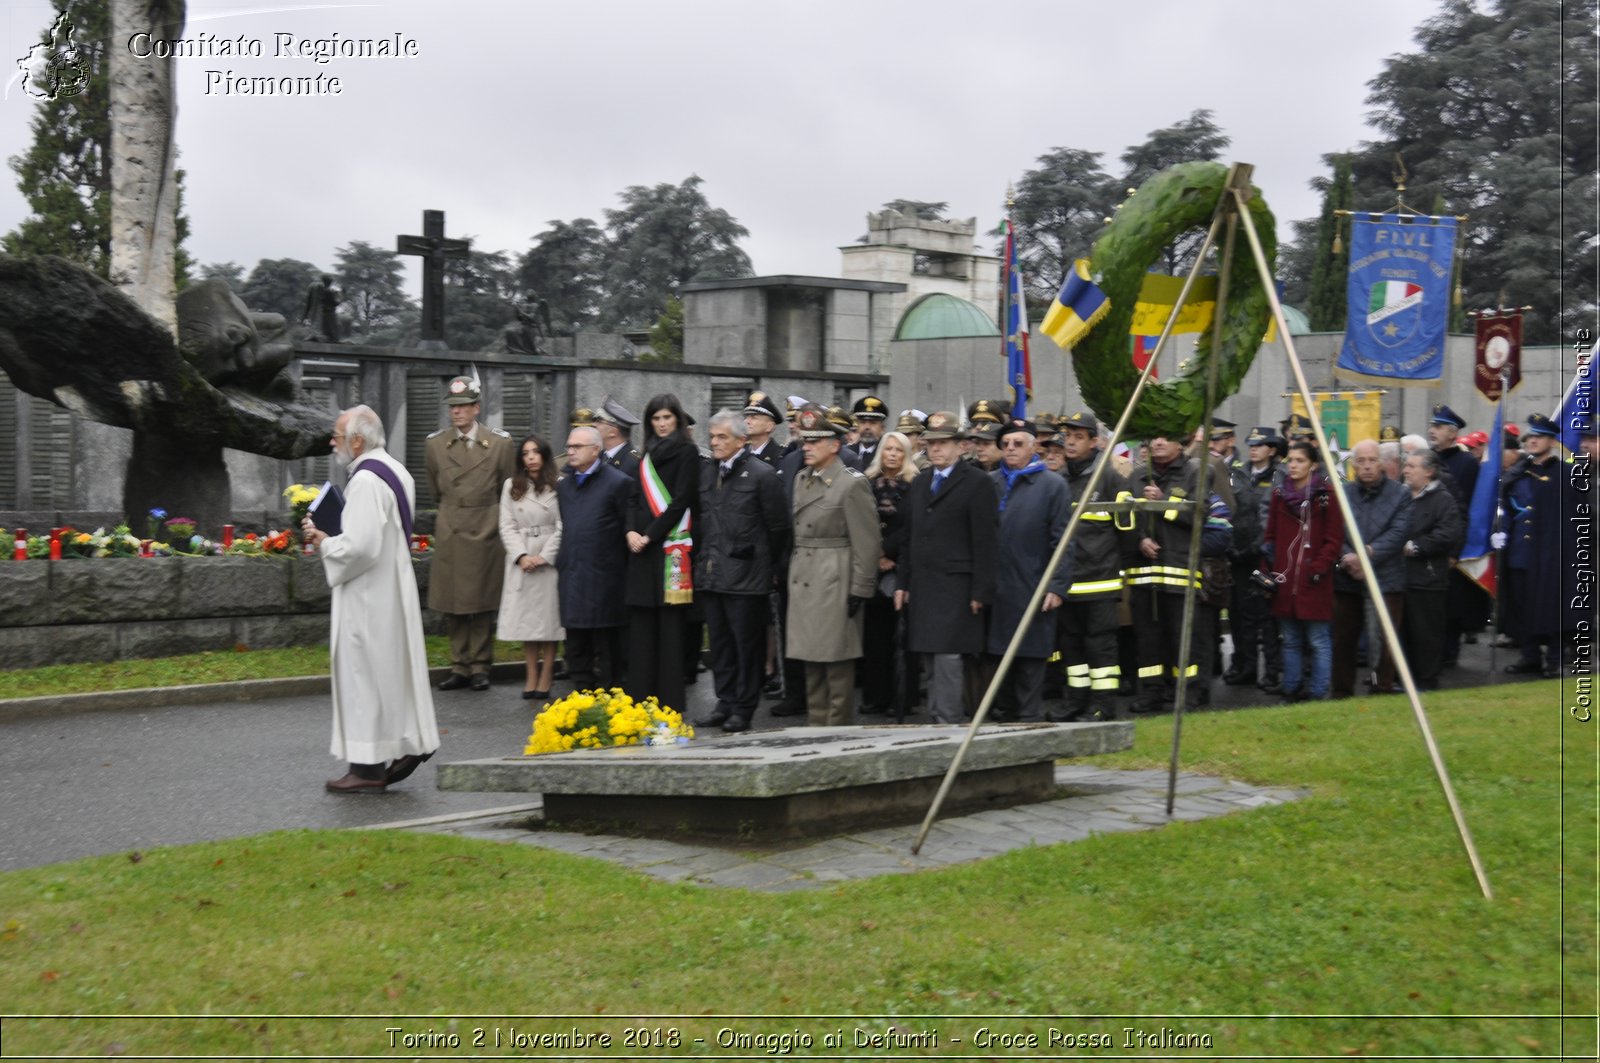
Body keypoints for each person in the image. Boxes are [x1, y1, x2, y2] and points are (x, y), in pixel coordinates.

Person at [300, 405, 438, 793]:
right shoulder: (395, 470)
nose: (332, 441)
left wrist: (323, 539)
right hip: (390, 587)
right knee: (389, 675)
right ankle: (409, 742)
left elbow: (360, 547)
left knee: (362, 677)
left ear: (357, 440)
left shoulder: (363, 480)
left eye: (337, 435)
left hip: (366, 595)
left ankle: (367, 769)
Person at [896, 411, 999, 724]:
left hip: (957, 583)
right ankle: (936, 716)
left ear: (961, 446)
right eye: (931, 443)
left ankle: (950, 722)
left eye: (943, 443)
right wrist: (903, 582)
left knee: (949, 657)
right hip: (924, 583)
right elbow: (909, 535)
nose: (936, 449)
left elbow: (986, 540)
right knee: (928, 654)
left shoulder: (977, 482)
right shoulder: (921, 481)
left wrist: (981, 590)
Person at [693, 410, 790, 732]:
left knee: (746, 646)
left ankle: (743, 708)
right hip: (712, 573)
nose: (715, 443)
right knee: (719, 645)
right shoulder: (707, 473)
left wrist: (767, 566)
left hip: (747, 578)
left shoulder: (762, 475)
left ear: (741, 440)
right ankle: (725, 700)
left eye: (722, 437)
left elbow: (778, 527)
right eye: (712, 437)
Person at [786, 403, 880, 725]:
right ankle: (814, 729)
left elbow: (867, 542)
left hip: (834, 576)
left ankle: (838, 733)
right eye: (805, 440)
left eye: (814, 441)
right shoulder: (802, 478)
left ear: (834, 445)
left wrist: (860, 588)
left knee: (837, 664)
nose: (806, 447)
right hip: (805, 574)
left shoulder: (851, 482)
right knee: (810, 661)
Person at [425, 376, 518, 691]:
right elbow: (435, 488)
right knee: (453, 601)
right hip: (451, 522)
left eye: (463, 407)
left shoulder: (501, 444)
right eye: (452, 407)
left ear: (476, 408)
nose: (457, 413)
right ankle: (459, 665)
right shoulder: (435, 444)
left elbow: (509, 486)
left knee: (481, 600)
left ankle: (480, 666)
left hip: (486, 523)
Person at [985, 419, 1072, 722]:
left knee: (1030, 661)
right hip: (996, 589)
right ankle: (1004, 720)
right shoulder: (990, 482)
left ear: (1035, 447)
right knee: (998, 663)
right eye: (1005, 444)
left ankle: (1029, 723)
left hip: (1033, 585)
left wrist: (1057, 585)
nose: (1010, 449)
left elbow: (1062, 540)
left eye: (1018, 443)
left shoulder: (1052, 485)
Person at [1051, 411, 1133, 721]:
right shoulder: (1059, 479)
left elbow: (1128, 532)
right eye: (1068, 437)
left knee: (1101, 650)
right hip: (1067, 583)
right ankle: (1076, 702)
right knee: (1071, 649)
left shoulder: (1109, 478)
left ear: (1095, 442)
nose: (1070, 442)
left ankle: (1103, 707)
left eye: (1078, 437)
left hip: (1100, 583)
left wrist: (1116, 572)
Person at [621, 393, 699, 713]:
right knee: (641, 628)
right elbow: (633, 498)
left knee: (669, 630)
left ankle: (669, 702)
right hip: (640, 550)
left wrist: (650, 535)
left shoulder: (688, 452)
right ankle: (640, 699)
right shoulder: (645, 456)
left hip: (670, 549)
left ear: (677, 419)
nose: (662, 424)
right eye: (656, 418)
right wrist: (630, 531)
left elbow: (682, 501)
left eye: (667, 418)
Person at [1126, 432, 1210, 714]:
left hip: (1179, 571)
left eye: (1166, 438)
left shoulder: (1196, 472)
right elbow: (1125, 516)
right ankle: (1151, 691)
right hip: (1144, 573)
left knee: (1182, 636)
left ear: (1181, 443)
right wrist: (1139, 538)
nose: (1158, 443)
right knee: (1148, 638)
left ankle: (1188, 691)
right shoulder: (1137, 477)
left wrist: (1163, 502)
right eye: (1153, 439)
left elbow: (1198, 516)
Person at [1261, 440, 1344, 702]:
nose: (1293, 465)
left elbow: (1333, 540)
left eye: (1300, 461)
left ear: (1314, 465)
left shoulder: (1326, 495)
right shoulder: (1279, 495)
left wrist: (1317, 568)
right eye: (1291, 461)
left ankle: (1319, 690)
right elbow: (1271, 536)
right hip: (1285, 580)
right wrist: (1268, 569)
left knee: (1318, 640)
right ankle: (1291, 686)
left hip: (1314, 581)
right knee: (1291, 639)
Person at [1499, 414, 1581, 678]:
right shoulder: (1518, 473)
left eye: (1539, 436)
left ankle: (1554, 659)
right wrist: (1500, 532)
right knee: (1524, 606)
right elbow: (1508, 509)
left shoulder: (1566, 474)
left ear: (1552, 441)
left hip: (1552, 554)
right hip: (1522, 553)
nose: (1532, 441)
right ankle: (1529, 655)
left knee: (1551, 606)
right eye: (1529, 437)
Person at [1330, 439, 1412, 697]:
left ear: (1382, 463)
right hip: (1347, 578)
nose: (1367, 466)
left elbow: (1399, 533)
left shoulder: (1401, 493)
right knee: (1344, 639)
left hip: (1386, 577)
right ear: (1353, 465)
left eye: (1372, 460)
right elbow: (1334, 532)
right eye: (1361, 461)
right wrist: (1347, 558)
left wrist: (1367, 555)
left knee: (1384, 640)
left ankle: (1382, 686)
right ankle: (1342, 691)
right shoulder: (1342, 493)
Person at [555, 424, 632, 690]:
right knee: (576, 648)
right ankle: (582, 700)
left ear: (596, 450)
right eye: (569, 446)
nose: (570, 452)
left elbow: (626, 531)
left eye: (577, 447)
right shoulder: (564, 486)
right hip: (573, 578)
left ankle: (613, 709)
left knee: (608, 652)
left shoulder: (618, 483)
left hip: (605, 583)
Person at [497, 434, 563, 702]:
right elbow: (506, 524)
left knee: (549, 621)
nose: (531, 457)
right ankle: (530, 674)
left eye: (536, 452)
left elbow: (563, 525)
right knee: (527, 621)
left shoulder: (559, 485)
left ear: (545, 456)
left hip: (548, 559)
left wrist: (545, 555)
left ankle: (547, 673)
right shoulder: (511, 485)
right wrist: (521, 555)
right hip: (522, 557)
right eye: (526, 453)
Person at [860, 429, 919, 715]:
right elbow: (860, 522)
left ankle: (902, 700)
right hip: (872, 566)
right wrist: (876, 554)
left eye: (898, 450)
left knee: (902, 638)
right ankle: (875, 696)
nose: (892, 454)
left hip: (902, 565)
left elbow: (913, 527)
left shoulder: (915, 484)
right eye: (888, 449)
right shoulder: (866, 482)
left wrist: (889, 553)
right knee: (875, 637)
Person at [1400, 449, 1464, 691]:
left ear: (1429, 471)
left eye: (1412, 466)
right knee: (1403, 631)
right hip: (1400, 576)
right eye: (1406, 465)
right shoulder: (1402, 495)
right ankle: (1403, 678)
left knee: (1426, 632)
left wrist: (1417, 547)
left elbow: (1449, 533)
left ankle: (1427, 679)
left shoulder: (1443, 499)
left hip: (1428, 578)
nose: (1406, 470)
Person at [594, 395, 641, 477]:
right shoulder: (597, 457)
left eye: (599, 421)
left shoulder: (635, 463)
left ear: (613, 431)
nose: (594, 425)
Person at [742, 391, 785, 468]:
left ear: (769, 426)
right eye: (746, 417)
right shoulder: (739, 452)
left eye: (753, 417)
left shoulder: (780, 457)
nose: (747, 421)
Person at [845, 394, 889, 466]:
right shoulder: (847, 452)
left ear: (882, 428)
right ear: (857, 425)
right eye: (863, 422)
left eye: (873, 423)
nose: (867, 427)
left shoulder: (887, 454)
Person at [301, 274, 341, 342]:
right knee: (332, 335)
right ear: (329, 282)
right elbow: (335, 303)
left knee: (326, 331)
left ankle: (317, 337)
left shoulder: (318, 289)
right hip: (329, 314)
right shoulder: (329, 291)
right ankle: (318, 338)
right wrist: (338, 296)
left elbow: (310, 303)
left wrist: (304, 317)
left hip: (322, 313)